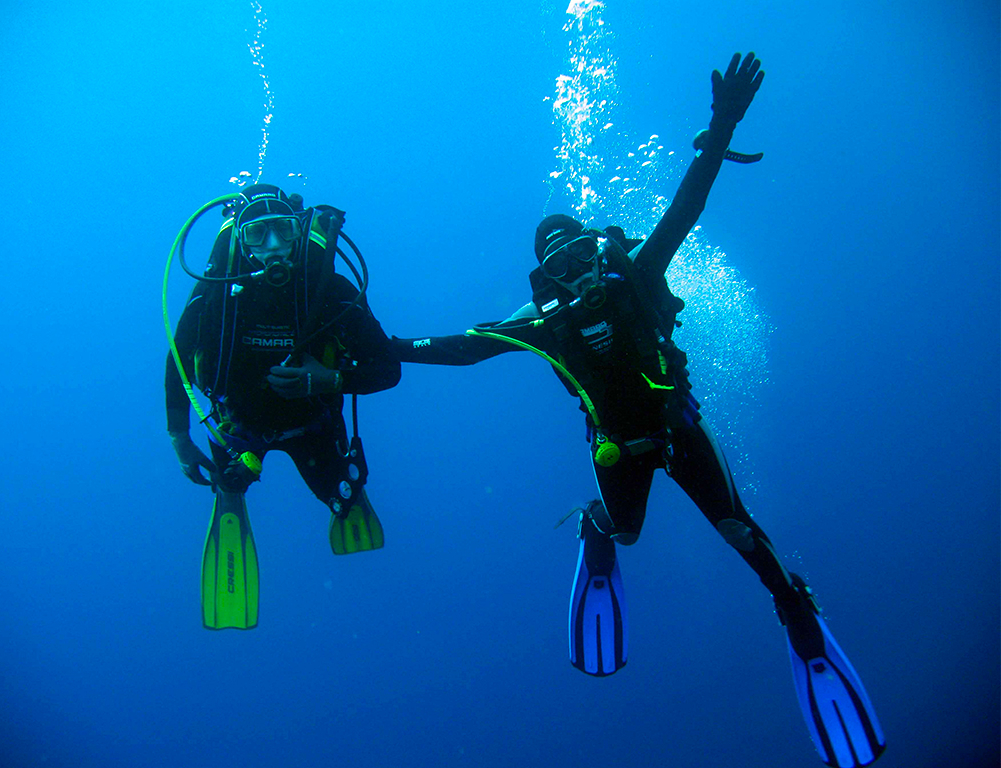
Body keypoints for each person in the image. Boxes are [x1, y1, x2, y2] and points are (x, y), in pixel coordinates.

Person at [390, 54, 885, 768]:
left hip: (676, 429)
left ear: (600, 250)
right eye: (556, 267)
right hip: (615, 446)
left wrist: (720, 127)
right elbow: (471, 347)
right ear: (543, 278)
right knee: (624, 535)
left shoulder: (637, 274)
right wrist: (388, 348)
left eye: (579, 255)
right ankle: (596, 527)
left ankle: (793, 607)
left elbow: (687, 207)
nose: (574, 273)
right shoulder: (543, 324)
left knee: (741, 530)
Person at [164, 183, 400, 630]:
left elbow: (387, 369)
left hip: (314, 423)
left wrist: (329, 379)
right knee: (231, 479)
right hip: (237, 428)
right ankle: (233, 490)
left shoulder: (326, 289)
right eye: (257, 234)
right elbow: (177, 360)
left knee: (339, 497)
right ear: (240, 240)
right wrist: (179, 437)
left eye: (283, 231)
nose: (272, 246)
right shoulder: (217, 292)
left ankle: (335, 493)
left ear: (298, 231)